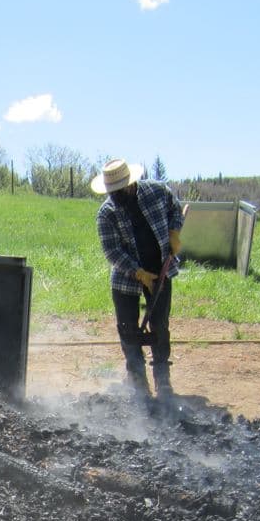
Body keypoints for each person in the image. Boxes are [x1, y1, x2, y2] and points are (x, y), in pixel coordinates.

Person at [92, 158, 185, 396]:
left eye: (117, 190)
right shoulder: (106, 214)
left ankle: (162, 381)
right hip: (126, 279)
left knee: (160, 327)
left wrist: (174, 232)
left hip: (161, 271)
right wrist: (137, 272)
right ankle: (138, 382)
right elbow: (112, 251)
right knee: (127, 330)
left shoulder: (157, 191)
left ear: (130, 184)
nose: (113, 195)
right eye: (110, 191)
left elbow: (176, 209)